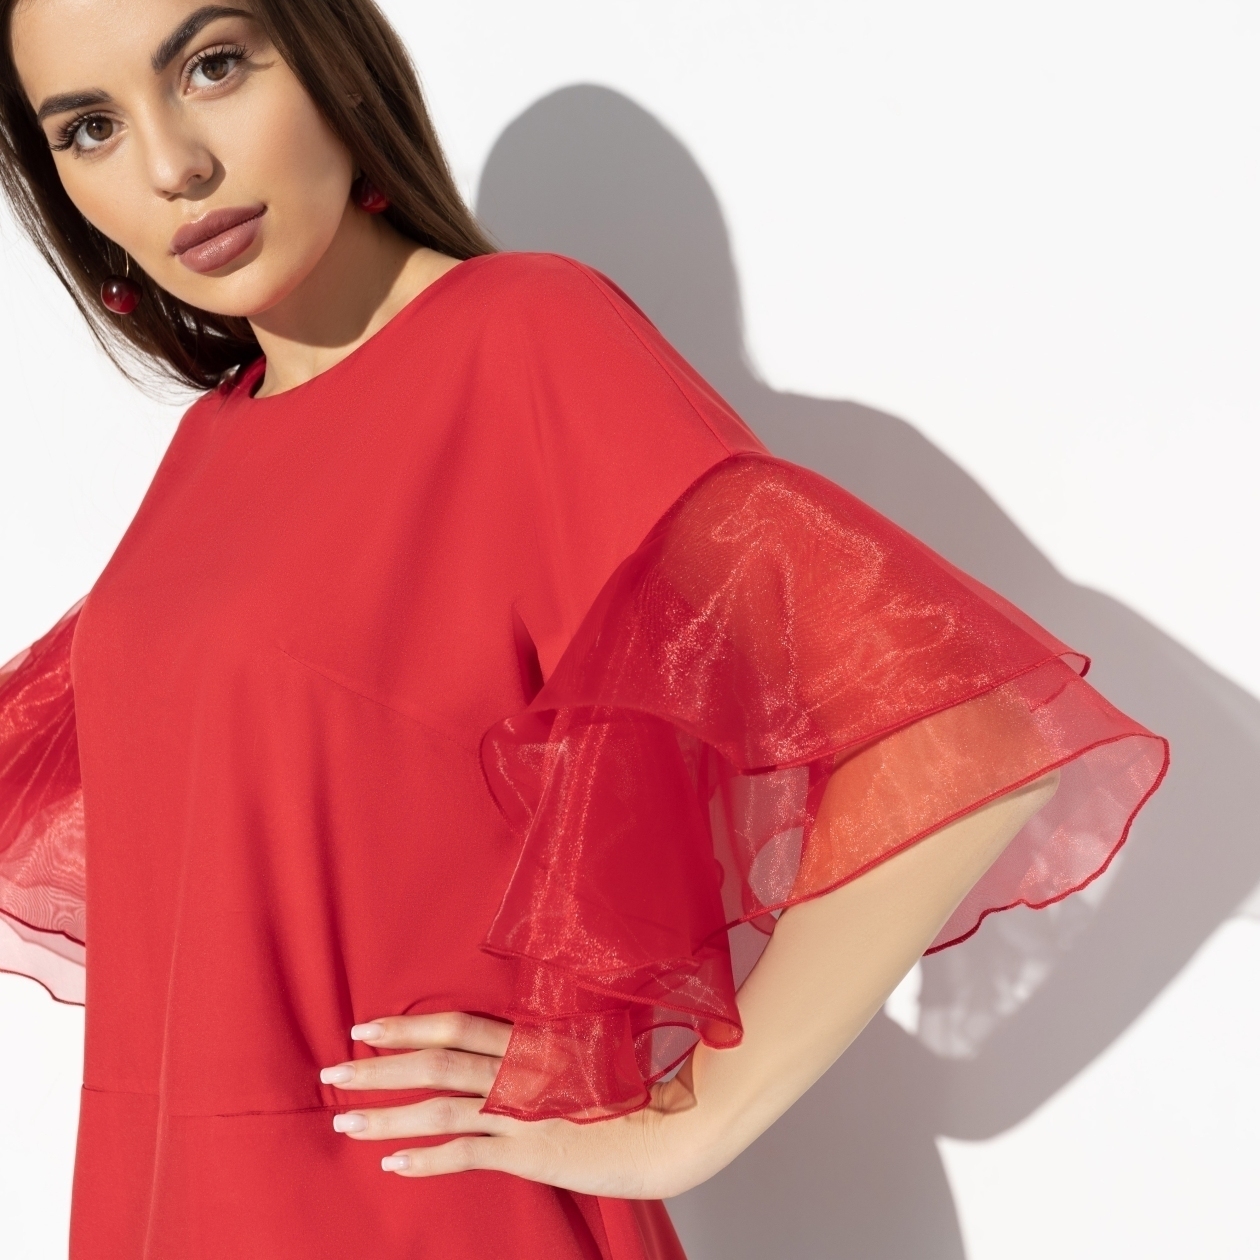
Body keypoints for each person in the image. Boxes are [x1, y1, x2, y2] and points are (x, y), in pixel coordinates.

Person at [0, 1, 1168, 1257]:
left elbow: (961, 729)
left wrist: (690, 1119)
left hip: (434, 1214)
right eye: (90, 128)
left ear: (335, 61)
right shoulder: (210, 445)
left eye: (214, 65)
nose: (172, 164)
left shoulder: (523, 338)